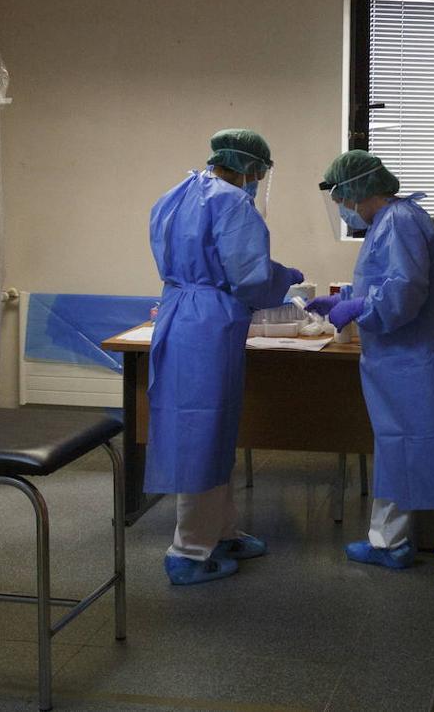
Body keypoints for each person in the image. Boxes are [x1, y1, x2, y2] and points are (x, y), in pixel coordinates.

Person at [306, 150, 434, 593]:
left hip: (421, 362)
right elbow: (382, 282)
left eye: (341, 196)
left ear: (357, 190)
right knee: (395, 450)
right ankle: (388, 542)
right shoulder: (385, 224)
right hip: (399, 363)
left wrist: (359, 307)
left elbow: (404, 293)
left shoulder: (400, 220)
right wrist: (346, 298)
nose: (342, 205)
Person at [147, 128, 304, 585]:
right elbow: (250, 278)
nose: (259, 179)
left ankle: (221, 530)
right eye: (261, 171)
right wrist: (284, 278)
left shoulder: (177, 194)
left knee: (213, 429)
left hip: (181, 312)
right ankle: (188, 552)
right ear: (251, 167)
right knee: (202, 432)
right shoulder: (234, 203)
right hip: (208, 322)